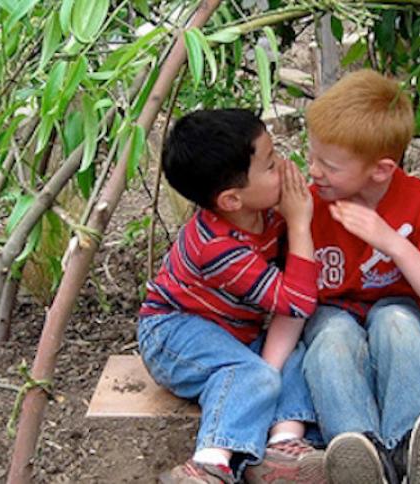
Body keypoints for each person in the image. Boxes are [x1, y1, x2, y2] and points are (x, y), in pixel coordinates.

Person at [138, 109, 324, 484]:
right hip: (173, 332)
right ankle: (209, 462)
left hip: (233, 332)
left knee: (296, 356)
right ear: (231, 200)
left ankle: (283, 447)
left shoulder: (267, 216)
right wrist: (300, 223)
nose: (286, 167)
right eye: (271, 166)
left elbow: (292, 302)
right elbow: (297, 302)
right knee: (249, 371)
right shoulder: (217, 247)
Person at [302, 70, 420, 484]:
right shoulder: (309, 203)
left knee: (396, 323)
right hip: (332, 312)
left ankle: (412, 447)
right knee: (332, 340)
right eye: (313, 156)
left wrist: (390, 241)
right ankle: (360, 453)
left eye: (329, 164)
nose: (314, 170)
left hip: (397, 311)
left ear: (380, 170)